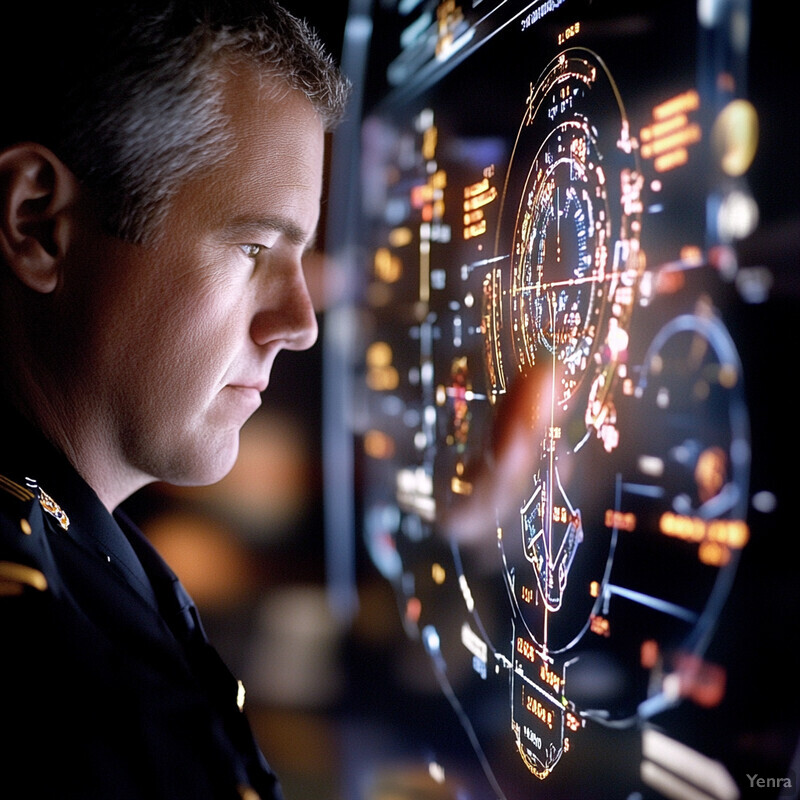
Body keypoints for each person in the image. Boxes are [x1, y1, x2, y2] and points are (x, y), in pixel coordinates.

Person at [0, 1, 349, 798]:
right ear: (38, 223)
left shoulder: (80, 549)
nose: (299, 325)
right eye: (254, 247)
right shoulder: (49, 679)